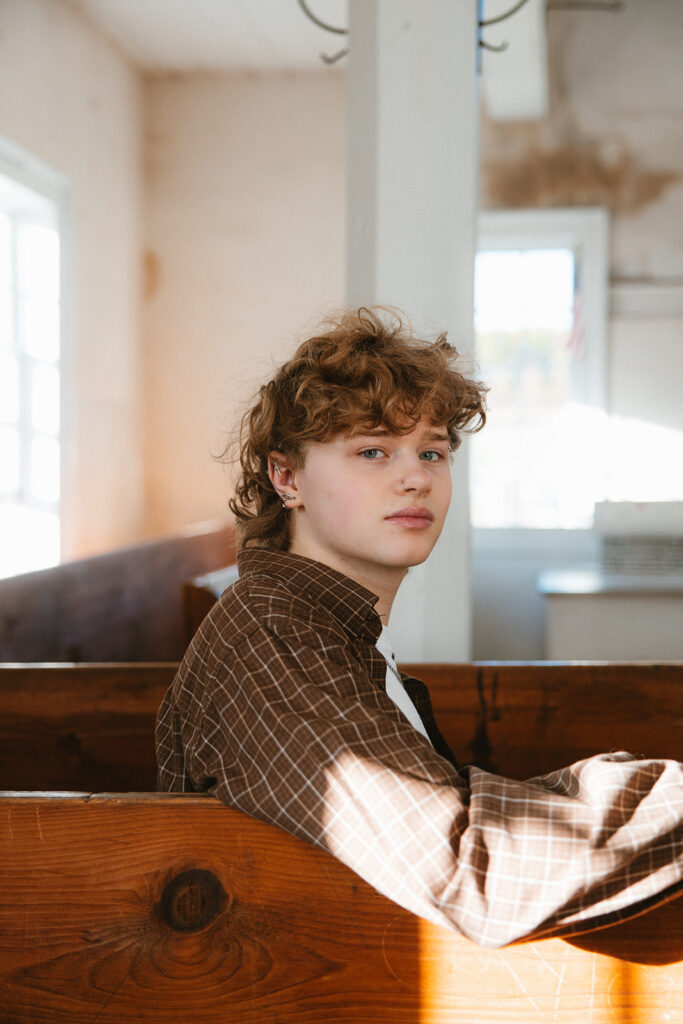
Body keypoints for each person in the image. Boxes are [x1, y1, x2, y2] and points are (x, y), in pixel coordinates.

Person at [156, 306, 682, 948]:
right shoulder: (272, 633)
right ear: (285, 476)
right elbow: (473, 868)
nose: (415, 477)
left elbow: (439, 810)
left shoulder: (327, 625)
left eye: (433, 451)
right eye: (372, 451)